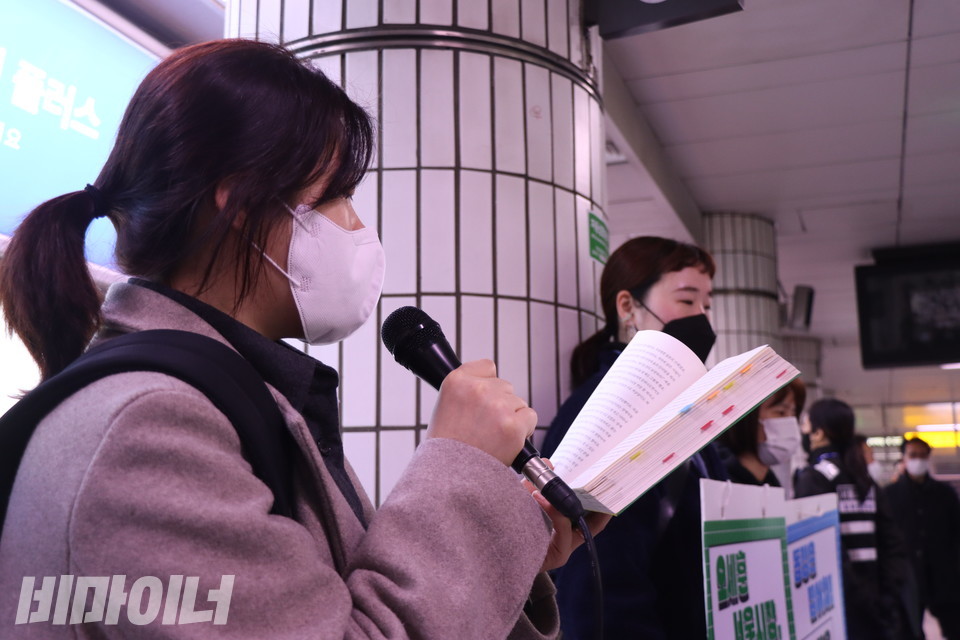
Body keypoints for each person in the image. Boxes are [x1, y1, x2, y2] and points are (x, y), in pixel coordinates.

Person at [0, 39, 608, 638]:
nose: (358, 228)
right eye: (336, 196)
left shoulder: (239, 398)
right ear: (239, 203)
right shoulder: (149, 429)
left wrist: (506, 536)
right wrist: (464, 471)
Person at [541, 236, 724, 640]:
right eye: (687, 300)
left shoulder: (685, 409)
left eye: (707, 305)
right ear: (628, 307)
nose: (702, 318)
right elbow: (599, 583)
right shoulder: (605, 414)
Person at [794, 398, 911, 640]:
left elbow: (823, 550)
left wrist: (861, 599)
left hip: (841, 607)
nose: (803, 432)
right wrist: (887, 595)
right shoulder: (864, 479)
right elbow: (893, 542)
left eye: (805, 425)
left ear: (818, 433)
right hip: (880, 602)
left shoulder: (815, 478)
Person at [884, 437, 960, 640]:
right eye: (913, 455)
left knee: (954, 627)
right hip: (907, 575)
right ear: (904, 458)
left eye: (922, 455)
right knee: (909, 629)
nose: (918, 460)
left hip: (944, 575)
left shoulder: (945, 494)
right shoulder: (889, 495)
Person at [716, 378, 806, 486]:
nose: (791, 422)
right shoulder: (714, 479)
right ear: (748, 417)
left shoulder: (771, 483)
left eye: (794, 414)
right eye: (781, 412)